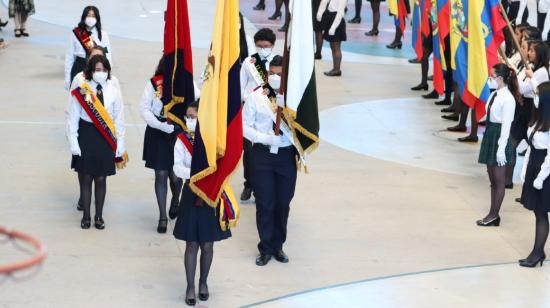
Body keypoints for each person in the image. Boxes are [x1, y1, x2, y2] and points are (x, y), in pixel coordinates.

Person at [172, 101, 231, 306]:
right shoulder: (181, 140)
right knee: (191, 244)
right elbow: (177, 168)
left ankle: (203, 282)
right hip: (190, 193)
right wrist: (197, 174)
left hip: (210, 194)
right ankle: (190, 286)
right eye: (187, 116)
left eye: (193, 117)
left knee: (207, 244)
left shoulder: (211, 141)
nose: (189, 120)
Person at [243, 56, 297, 266]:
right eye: (272, 73)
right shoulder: (256, 96)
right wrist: (263, 138)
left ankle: (278, 245)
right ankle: (265, 247)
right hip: (262, 155)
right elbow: (244, 126)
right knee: (265, 203)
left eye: (280, 74)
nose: (275, 77)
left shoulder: (294, 98)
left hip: (285, 155)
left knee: (283, 203)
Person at [66, 55, 126, 230]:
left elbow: (119, 118)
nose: (101, 73)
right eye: (97, 70)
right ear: (91, 71)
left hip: (105, 137)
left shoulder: (112, 88)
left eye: (104, 70)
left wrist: (120, 144)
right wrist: (73, 142)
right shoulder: (83, 89)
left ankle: (99, 216)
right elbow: (73, 116)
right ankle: (86, 216)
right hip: (86, 133)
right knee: (86, 177)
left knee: (101, 178)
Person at [140, 57, 184, 233]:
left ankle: (175, 200)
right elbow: (144, 108)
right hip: (158, 131)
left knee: (175, 175)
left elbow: (198, 100)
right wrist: (160, 125)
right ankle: (162, 216)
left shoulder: (186, 83)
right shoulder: (154, 83)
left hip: (177, 131)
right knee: (160, 174)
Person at [476, 64, 520, 227]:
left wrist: (501, 149)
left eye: (492, 77)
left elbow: (506, 126)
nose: (489, 79)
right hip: (491, 134)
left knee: (499, 180)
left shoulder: (508, 99)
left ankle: (494, 214)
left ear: (500, 79)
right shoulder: (494, 94)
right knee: (492, 179)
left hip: (500, 137)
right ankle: (492, 213)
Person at [240, 28, 277, 202]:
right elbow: (241, 86)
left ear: (272, 46)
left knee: (267, 150)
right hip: (250, 110)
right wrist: (246, 100)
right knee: (248, 152)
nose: (263, 48)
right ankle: (249, 183)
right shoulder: (249, 62)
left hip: (270, 111)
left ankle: (263, 185)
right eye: (259, 46)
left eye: (266, 46)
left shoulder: (278, 63)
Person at [518, 81, 550, 267]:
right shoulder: (538, 119)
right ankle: (538, 250)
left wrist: (539, 178)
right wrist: (524, 169)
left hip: (545, 171)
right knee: (538, 212)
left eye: (537, 93)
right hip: (534, 166)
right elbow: (530, 147)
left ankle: (537, 253)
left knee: (541, 212)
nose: (534, 96)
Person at [65, 6, 112, 91]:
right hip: (79, 67)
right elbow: (69, 57)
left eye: (93, 16)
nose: (90, 18)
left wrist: (108, 74)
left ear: (97, 18)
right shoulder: (76, 33)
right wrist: (67, 78)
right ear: (84, 17)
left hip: (96, 67)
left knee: (92, 100)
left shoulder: (103, 35)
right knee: (80, 97)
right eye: (88, 15)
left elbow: (108, 55)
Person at [317, 0, 347, 77]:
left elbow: (340, 13)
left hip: (337, 21)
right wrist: (320, 12)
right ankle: (335, 68)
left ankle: (337, 69)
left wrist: (333, 27)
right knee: (333, 46)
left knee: (336, 47)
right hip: (330, 18)